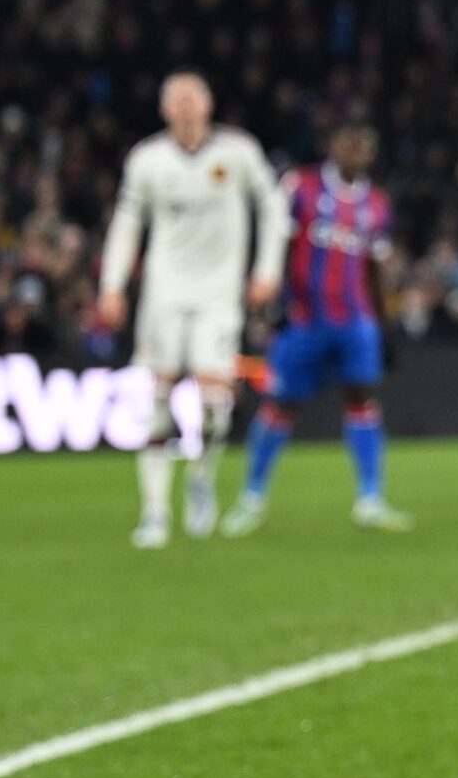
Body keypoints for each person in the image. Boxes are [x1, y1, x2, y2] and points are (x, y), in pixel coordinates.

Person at [97, 71, 288, 548]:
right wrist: (112, 286)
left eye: (192, 100)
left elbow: (273, 207)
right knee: (158, 402)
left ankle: (201, 478)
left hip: (218, 295)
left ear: (208, 105)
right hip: (164, 292)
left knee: (215, 407)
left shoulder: (238, 152)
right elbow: (126, 222)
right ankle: (155, 512)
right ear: (164, 110)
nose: (184, 108)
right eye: (176, 101)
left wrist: (267, 269)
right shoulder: (147, 159)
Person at [222, 122, 413, 535]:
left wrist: (384, 324)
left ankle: (371, 499)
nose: (357, 151)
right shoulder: (301, 187)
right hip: (303, 320)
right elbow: (276, 244)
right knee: (280, 404)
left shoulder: (377, 204)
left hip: (355, 321)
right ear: (333, 146)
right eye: (350, 143)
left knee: (362, 400)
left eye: (364, 146)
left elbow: (374, 268)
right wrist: (270, 303)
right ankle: (251, 499)